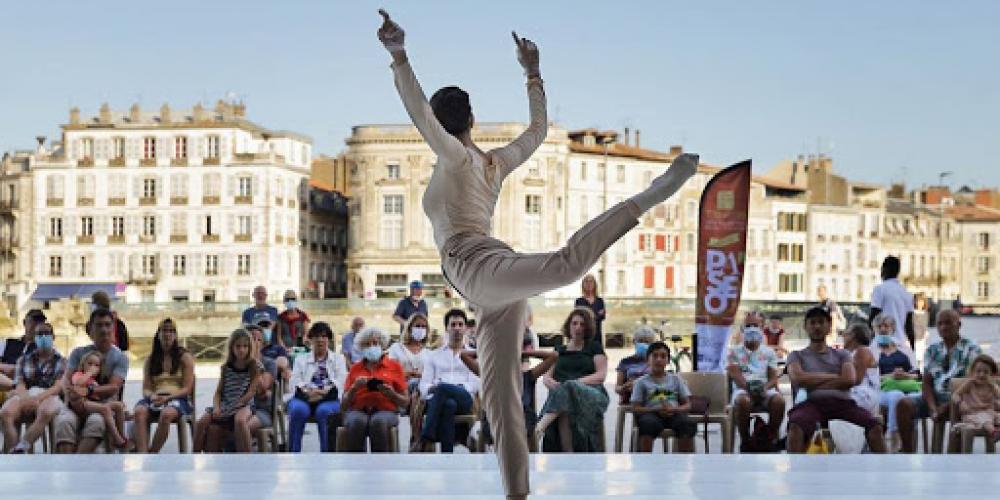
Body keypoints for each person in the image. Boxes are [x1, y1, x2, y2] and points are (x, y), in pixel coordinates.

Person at [377, 10, 697, 498]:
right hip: (488, 282)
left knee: (568, 265)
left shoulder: (456, 156)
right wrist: (532, 73)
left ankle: (652, 194)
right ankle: (517, 493)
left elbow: (420, 110)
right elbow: (538, 130)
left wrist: (399, 55)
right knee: (501, 395)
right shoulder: (493, 162)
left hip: (477, 267)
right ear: (474, 120)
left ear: (441, 130)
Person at [785, 306, 885, 453]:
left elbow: (849, 380)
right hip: (811, 404)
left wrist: (812, 381)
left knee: (874, 426)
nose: (817, 326)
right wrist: (833, 377)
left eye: (821, 322)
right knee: (796, 425)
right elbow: (798, 379)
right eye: (812, 323)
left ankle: (885, 470)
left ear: (829, 326)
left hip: (843, 404)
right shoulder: (796, 355)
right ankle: (795, 471)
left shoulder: (842, 354)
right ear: (805, 326)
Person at [896, 309, 982, 453]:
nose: (943, 327)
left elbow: (973, 384)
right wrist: (933, 408)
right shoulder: (932, 350)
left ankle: (954, 459)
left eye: (948, 323)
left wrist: (947, 406)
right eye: (939, 323)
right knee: (903, 404)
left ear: (958, 324)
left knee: (961, 410)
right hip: (935, 399)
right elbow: (927, 382)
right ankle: (907, 452)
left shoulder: (972, 349)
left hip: (961, 401)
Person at [460, 333, 558, 449]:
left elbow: (553, 356)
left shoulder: (527, 376)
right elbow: (464, 355)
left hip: (522, 417)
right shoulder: (490, 375)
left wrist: (520, 352)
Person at [53, 308, 129, 453]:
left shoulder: (120, 358)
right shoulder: (78, 353)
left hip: (102, 405)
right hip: (74, 403)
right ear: (90, 329)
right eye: (99, 325)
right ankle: (68, 466)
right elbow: (66, 380)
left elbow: (113, 387)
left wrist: (88, 390)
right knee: (64, 422)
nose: (104, 330)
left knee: (96, 422)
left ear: (113, 328)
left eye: (107, 325)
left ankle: (78, 464)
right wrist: (75, 398)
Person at [537, 307, 609, 452]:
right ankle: (568, 453)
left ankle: (539, 428)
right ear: (568, 326)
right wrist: (548, 381)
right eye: (574, 323)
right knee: (566, 400)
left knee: (568, 388)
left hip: (592, 394)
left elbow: (601, 375)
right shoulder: (559, 350)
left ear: (587, 328)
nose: (578, 327)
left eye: (582, 324)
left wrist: (574, 384)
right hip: (563, 396)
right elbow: (546, 376)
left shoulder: (594, 348)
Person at [413, 308, 481, 453]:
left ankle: (425, 436)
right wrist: (435, 389)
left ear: (465, 328)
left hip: (464, 398)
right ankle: (447, 455)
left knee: (443, 388)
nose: (457, 328)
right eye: (453, 325)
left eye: (460, 324)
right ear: (447, 328)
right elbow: (424, 385)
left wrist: (450, 387)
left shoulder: (473, 355)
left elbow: (474, 385)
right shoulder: (433, 355)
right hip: (437, 401)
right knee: (448, 404)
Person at [0, 322, 66, 453]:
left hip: (49, 395)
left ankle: (23, 445)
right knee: (6, 412)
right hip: (26, 394)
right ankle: (13, 451)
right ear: (34, 338)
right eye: (39, 334)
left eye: (46, 333)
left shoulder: (61, 361)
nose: (43, 337)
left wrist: (37, 398)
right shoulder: (23, 359)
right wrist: (26, 398)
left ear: (53, 337)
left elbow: (58, 386)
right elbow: (19, 382)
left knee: (46, 412)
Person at [341, 326, 409, 452]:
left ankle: (381, 466)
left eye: (375, 343)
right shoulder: (355, 368)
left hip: (386, 410)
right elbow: (344, 404)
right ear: (362, 348)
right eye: (367, 344)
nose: (372, 346)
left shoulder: (394, 366)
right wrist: (354, 388)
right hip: (359, 409)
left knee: (378, 422)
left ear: (382, 345)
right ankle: (355, 465)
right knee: (356, 422)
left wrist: (391, 394)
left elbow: (405, 402)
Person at [132, 318, 195, 453]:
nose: (167, 334)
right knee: (139, 411)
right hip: (156, 397)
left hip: (178, 398)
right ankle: (142, 452)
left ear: (176, 335)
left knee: (166, 414)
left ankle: (152, 453)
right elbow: (146, 388)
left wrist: (168, 398)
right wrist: (152, 395)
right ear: (158, 334)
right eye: (164, 330)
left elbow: (187, 389)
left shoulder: (185, 357)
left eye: (171, 331)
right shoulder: (151, 359)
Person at [193, 328, 260, 453]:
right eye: (238, 346)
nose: (241, 350)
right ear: (232, 348)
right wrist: (217, 407)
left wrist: (238, 404)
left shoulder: (254, 366)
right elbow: (218, 392)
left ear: (250, 348)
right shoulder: (226, 367)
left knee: (240, 421)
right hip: (225, 403)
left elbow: (251, 391)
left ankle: (247, 458)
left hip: (243, 405)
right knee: (201, 422)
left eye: (245, 346)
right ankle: (194, 456)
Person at [287, 322, 347, 452]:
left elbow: (341, 382)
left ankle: (327, 456)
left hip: (329, 398)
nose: (320, 340)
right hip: (305, 397)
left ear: (329, 339)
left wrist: (322, 392)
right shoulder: (300, 359)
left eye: (324, 336)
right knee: (297, 410)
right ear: (311, 339)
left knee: (324, 412)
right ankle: (293, 454)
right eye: (316, 336)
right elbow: (295, 381)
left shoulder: (339, 359)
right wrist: (309, 392)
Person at [630, 341, 697, 452]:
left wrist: (674, 409)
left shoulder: (676, 379)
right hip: (651, 415)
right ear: (648, 360)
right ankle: (644, 464)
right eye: (655, 356)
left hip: (674, 414)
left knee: (687, 425)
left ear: (668, 360)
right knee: (647, 425)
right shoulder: (641, 382)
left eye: (663, 356)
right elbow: (635, 408)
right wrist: (655, 409)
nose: (659, 359)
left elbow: (688, 405)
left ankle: (684, 463)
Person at [726, 324, 784, 451]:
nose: (752, 335)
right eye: (748, 328)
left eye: (755, 328)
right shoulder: (733, 352)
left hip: (765, 388)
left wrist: (764, 388)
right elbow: (736, 375)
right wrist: (751, 390)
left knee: (779, 401)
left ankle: (769, 439)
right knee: (742, 401)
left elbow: (773, 378)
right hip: (743, 389)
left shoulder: (769, 352)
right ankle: (746, 442)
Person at [872, 316, 919, 452]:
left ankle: (909, 440)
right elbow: (870, 378)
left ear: (892, 328)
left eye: (886, 326)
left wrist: (905, 375)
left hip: (907, 386)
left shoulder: (904, 348)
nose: (882, 329)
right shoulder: (872, 351)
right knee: (897, 396)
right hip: (882, 390)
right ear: (874, 329)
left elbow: (917, 375)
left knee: (915, 398)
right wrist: (891, 376)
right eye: (879, 326)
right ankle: (894, 438)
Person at [68, 351, 128, 448]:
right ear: (83, 364)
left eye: (96, 365)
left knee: (119, 406)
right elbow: (78, 383)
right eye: (90, 363)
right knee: (105, 409)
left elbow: (98, 395)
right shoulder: (79, 374)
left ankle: (122, 434)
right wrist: (89, 373)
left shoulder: (94, 381)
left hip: (94, 403)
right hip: (83, 403)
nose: (93, 367)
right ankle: (117, 439)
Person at [870, 256, 916, 363]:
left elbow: (873, 318)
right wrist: (913, 350)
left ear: (884, 269)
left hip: (882, 345)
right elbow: (909, 326)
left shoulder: (880, 289)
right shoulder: (906, 293)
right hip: (900, 345)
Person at [952, 354, 1000, 442]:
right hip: (972, 414)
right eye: (978, 371)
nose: (981, 374)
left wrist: (997, 402)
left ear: (991, 374)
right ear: (972, 372)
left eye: (986, 372)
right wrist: (960, 403)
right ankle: (994, 432)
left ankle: (996, 430)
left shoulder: (992, 386)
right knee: (984, 418)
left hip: (990, 413)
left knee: (994, 417)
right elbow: (955, 395)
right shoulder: (970, 384)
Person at [388, 312, 432, 401]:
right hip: (400, 388)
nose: (420, 329)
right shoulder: (396, 348)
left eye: (423, 327)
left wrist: (421, 375)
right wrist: (407, 374)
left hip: (421, 391)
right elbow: (391, 371)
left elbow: (431, 376)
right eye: (417, 326)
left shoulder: (428, 352)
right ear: (409, 328)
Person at [0, 309, 47, 392]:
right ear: (24, 323)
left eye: (40, 323)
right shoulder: (7, 343)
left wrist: (14, 369)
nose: (36, 326)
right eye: (33, 322)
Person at [841, 323, 880, 417]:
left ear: (853, 335)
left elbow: (857, 380)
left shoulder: (862, 351)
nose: (843, 335)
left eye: (846, 332)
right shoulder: (849, 354)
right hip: (854, 392)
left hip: (863, 394)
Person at [614, 326, 656, 404]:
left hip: (653, 398)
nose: (644, 344)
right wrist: (624, 387)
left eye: (647, 342)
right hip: (632, 398)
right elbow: (617, 388)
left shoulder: (656, 361)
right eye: (641, 341)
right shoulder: (625, 362)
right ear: (634, 342)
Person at [253, 311, 291, 383]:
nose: (264, 329)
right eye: (260, 326)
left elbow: (282, 364)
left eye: (266, 326)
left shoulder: (278, 349)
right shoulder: (248, 349)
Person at [575, 274, 607, 347]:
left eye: (591, 281)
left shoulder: (600, 301)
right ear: (583, 285)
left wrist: (587, 316)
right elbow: (579, 318)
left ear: (594, 284)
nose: (589, 284)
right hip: (583, 336)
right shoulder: (579, 301)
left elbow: (602, 317)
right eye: (586, 282)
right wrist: (596, 315)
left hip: (597, 336)